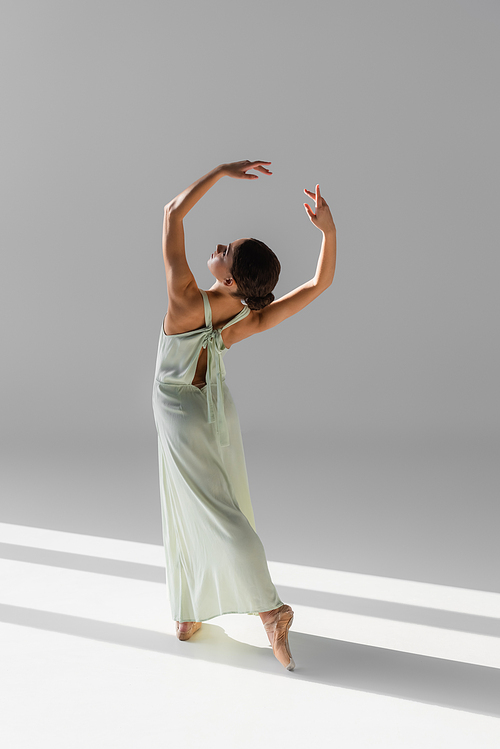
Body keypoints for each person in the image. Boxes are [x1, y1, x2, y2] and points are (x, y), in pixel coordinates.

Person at [152, 160, 337, 671]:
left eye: (225, 252)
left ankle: (270, 609)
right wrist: (329, 230)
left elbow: (171, 213)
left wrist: (219, 171)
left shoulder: (187, 300)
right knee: (214, 501)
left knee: (211, 508)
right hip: (217, 406)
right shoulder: (247, 313)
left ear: (230, 278)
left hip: (179, 410)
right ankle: (192, 610)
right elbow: (318, 284)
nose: (219, 246)